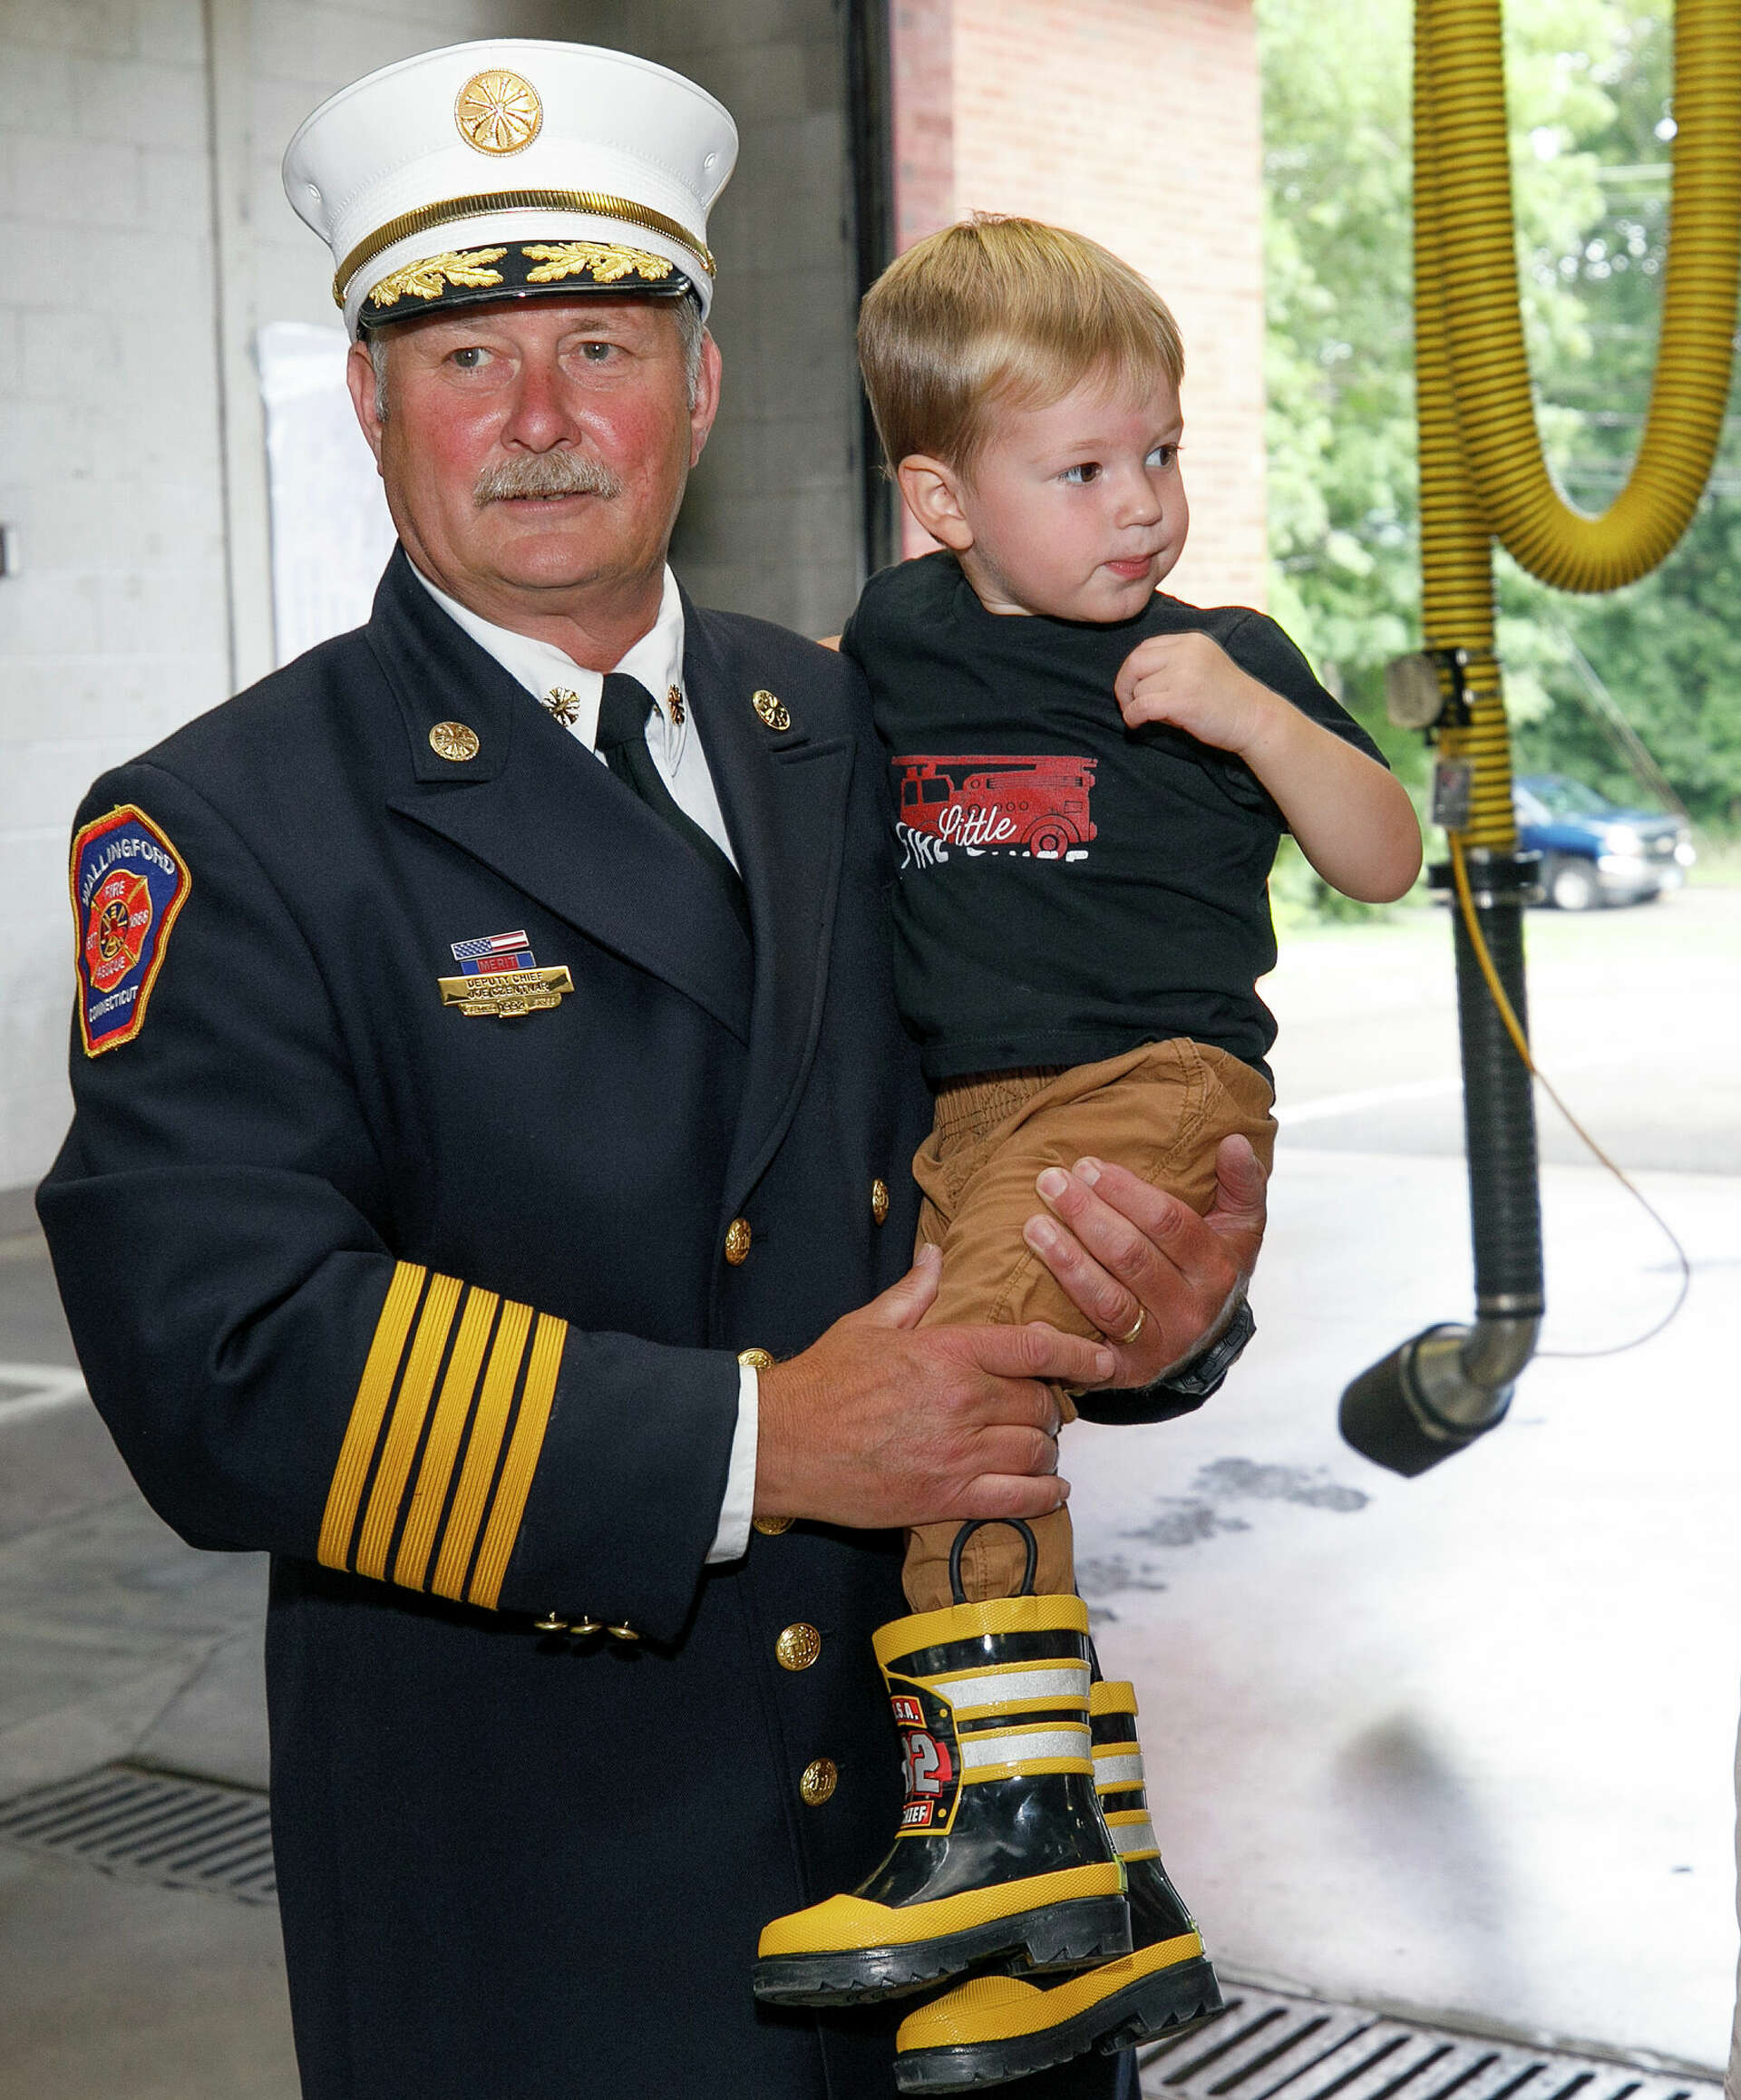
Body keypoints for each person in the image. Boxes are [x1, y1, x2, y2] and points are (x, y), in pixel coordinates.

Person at [34, 44, 1269, 2100]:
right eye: (463, 359)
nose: (536, 420)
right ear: (370, 401)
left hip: (957, 1852)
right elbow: (219, 1353)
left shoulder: (862, 716)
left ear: (698, 385)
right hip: (552, 1911)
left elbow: (1051, 1073)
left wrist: (1163, 1299)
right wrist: (761, 1443)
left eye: (601, 342)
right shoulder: (231, 820)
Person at [754, 218, 1420, 2091]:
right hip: (969, 1117)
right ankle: (1089, 1893)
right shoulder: (896, 634)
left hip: (1151, 1083)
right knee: (1000, 1438)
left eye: (1164, 453)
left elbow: (1381, 856)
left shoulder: (1224, 651)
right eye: (1084, 471)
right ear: (943, 501)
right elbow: (813, 731)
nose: (1142, 507)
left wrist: (1255, 718)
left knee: (953, 1397)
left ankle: (1002, 1836)